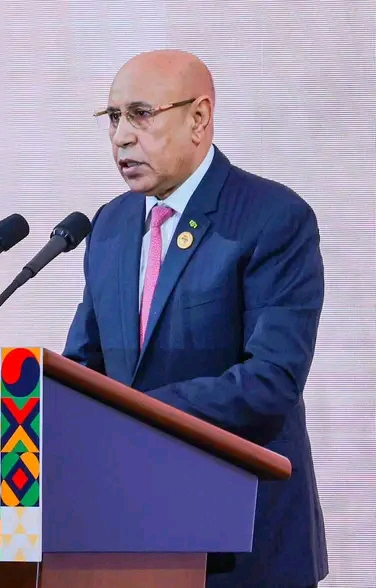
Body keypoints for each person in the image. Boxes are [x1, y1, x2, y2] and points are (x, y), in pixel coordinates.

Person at [62, 49, 328, 587]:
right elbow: (83, 368)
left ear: (199, 119)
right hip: (130, 542)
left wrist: (135, 416)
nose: (121, 137)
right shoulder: (110, 225)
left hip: (242, 544)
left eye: (141, 114)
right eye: (112, 117)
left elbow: (271, 380)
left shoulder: (271, 218)